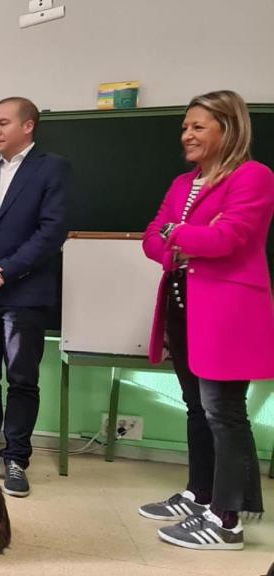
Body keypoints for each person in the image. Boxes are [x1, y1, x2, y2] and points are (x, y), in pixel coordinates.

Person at [140, 89, 274, 551]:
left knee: (224, 413)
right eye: (185, 127)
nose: (187, 135)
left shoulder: (252, 177)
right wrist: (185, 236)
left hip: (226, 312)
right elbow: (152, 238)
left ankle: (227, 521)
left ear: (228, 128)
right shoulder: (183, 184)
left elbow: (229, 238)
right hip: (182, 306)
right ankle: (200, 495)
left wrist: (180, 234)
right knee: (195, 407)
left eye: (198, 126)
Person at [0, 97, 69, 498]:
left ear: (28, 126)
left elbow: (51, 231)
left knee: (22, 378)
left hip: (25, 290)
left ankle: (17, 458)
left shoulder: (52, 168)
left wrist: (3, 269)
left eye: (3, 123)